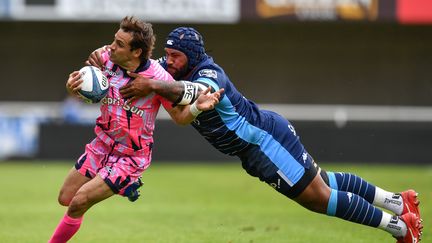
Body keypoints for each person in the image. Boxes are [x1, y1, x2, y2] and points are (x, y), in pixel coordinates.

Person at [88, 27, 423, 243]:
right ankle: (398, 201)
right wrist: (105, 58)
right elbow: (142, 61)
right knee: (324, 181)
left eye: (176, 57)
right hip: (259, 144)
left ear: (190, 57)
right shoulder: (170, 67)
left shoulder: (208, 74)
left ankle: (400, 227)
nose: (170, 61)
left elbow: (187, 91)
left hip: (264, 142)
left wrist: (155, 84)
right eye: (169, 55)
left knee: (318, 198)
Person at [49, 18, 222, 243]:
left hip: (131, 156)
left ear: (137, 52)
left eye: (119, 44)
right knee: (65, 198)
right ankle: (127, 186)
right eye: (114, 40)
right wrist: (72, 87)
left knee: (78, 202)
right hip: (102, 144)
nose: (111, 46)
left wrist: (198, 107)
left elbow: (180, 117)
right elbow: (86, 85)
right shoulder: (104, 58)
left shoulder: (160, 79)